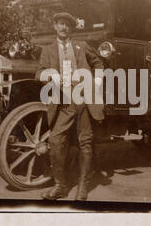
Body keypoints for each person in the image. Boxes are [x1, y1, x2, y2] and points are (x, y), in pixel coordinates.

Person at [35, 12, 104, 201]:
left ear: (71, 28)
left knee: (85, 141)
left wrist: (96, 82)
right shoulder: (48, 50)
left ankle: (83, 186)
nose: (64, 28)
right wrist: (49, 74)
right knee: (56, 141)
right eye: (60, 24)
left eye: (67, 25)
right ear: (55, 26)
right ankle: (60, 186)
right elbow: (38, 73)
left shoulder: (81, 46)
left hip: (83, 98)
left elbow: (98, 61)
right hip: (63, 102)